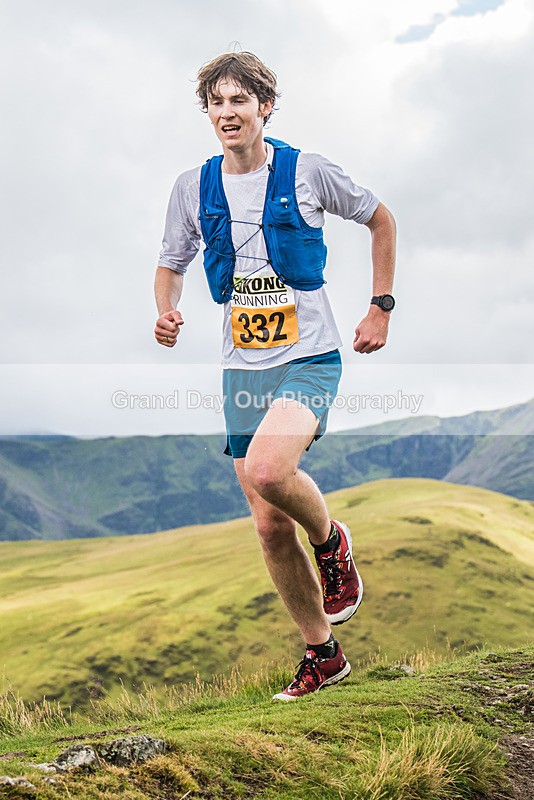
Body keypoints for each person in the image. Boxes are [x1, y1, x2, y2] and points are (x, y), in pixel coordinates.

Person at [154, 52, 396, 701]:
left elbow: (380, 218)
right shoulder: (192, 186)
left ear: (265, 106)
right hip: (242, 368)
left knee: (268, 470)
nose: (228, 113)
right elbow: (171, 262)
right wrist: (166, 310)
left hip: (308, 356)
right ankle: (323, 654)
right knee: (265, 523)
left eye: (240, 100)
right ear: (208, 113)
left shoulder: (307, 170)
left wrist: (380, 305)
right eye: (217, 103)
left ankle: (331, 540)